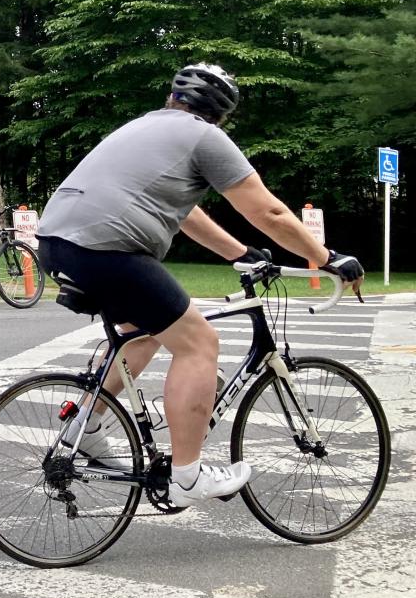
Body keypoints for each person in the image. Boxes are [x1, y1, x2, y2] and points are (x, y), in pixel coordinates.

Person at [35, 63, 364, 509]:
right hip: (108, 249)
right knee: (198, 343)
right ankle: (187, 477)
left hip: (57, 242)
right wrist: (327, 258)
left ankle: (84, 428)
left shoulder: (144, 127)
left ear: (174, 97)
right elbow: (268, 212)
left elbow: (185, 214)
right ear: (222, 114)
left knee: (144, 332)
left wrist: (238, 253)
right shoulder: (205, 137)